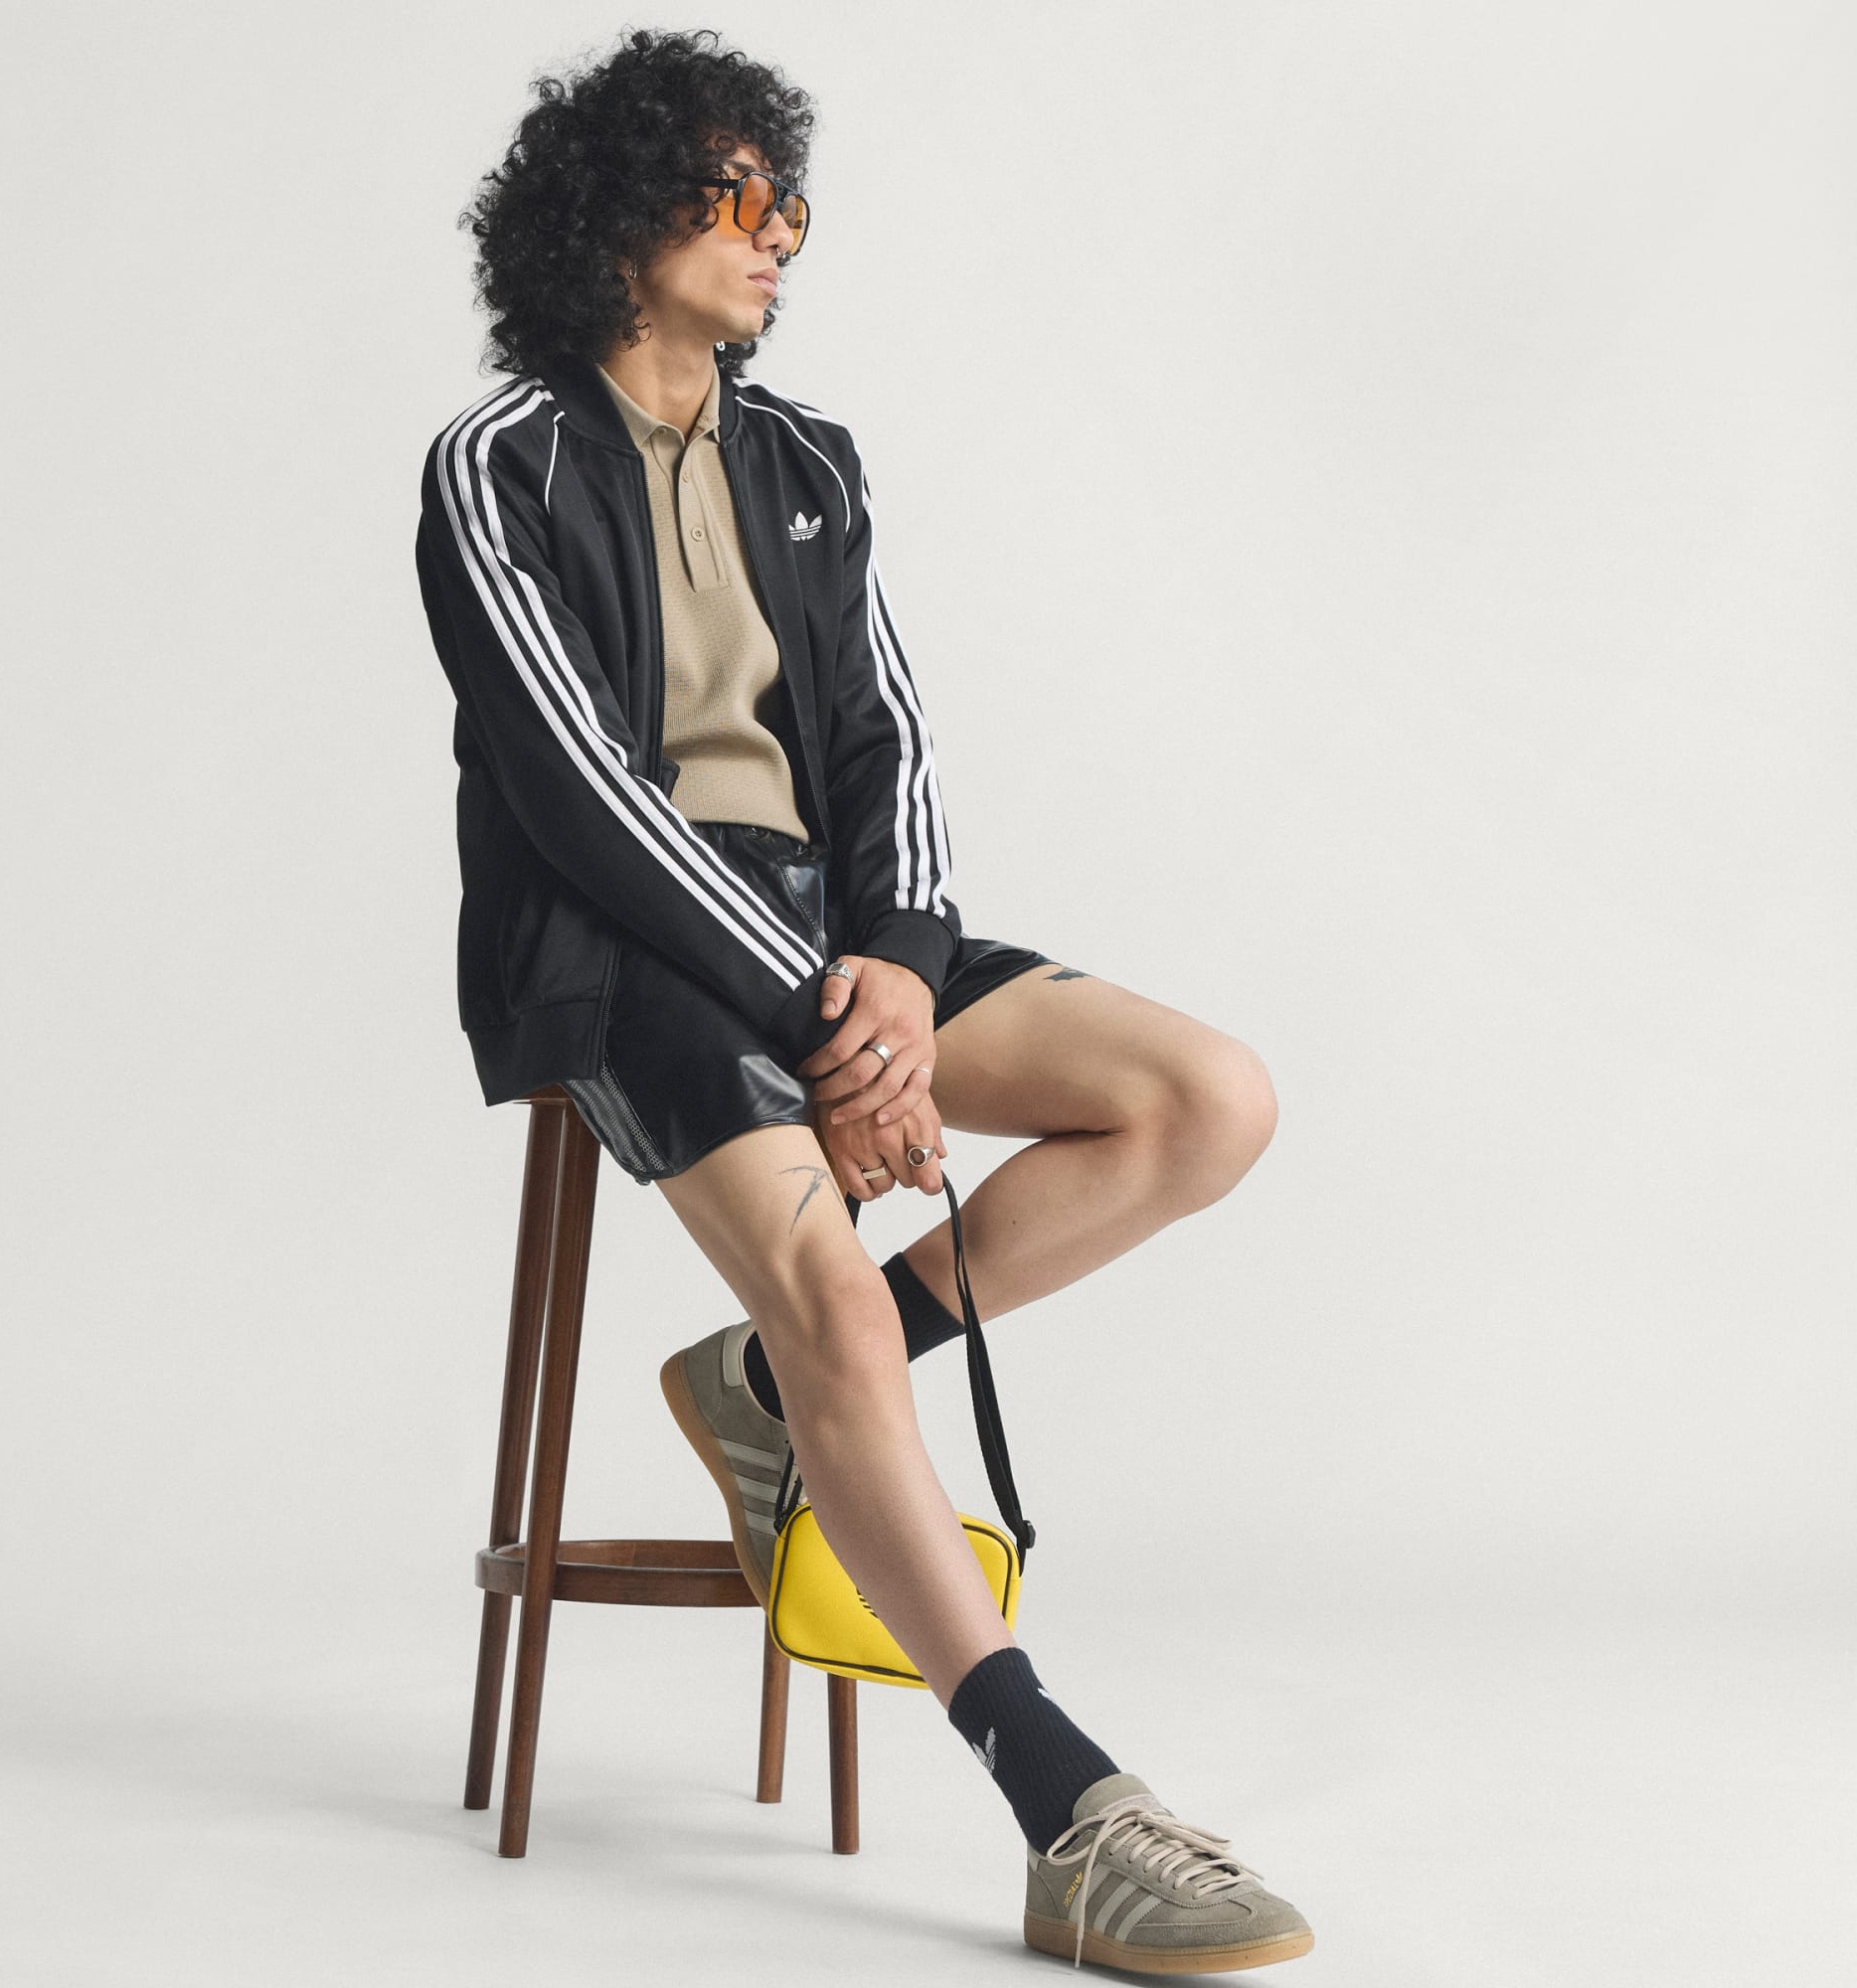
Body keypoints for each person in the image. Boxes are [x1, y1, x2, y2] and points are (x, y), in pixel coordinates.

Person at [415, 27, 1313, 1976]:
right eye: (736, 197)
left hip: (834, 941)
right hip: (622, 957)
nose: (777, 236)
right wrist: (830, 1030)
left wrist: (895, 967)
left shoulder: (807, 460)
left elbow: (884, 734)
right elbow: (580, 795)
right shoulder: (500, 463)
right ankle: (1068, 1811)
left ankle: (774, 1392)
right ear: (618, 217)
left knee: (1206, 1098)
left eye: (790, 204)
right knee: (823, 1284)